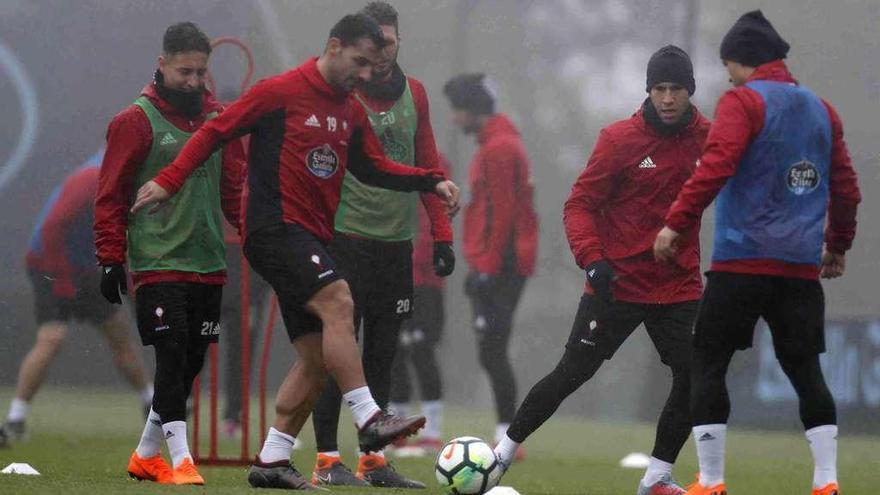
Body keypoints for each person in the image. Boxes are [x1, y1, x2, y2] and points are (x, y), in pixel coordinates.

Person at [129, 13, 460, 491]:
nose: (366, 74)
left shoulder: (349, 110)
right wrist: (168, 178)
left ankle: (272, 459)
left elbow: (373, 168)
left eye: (372, 66)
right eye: (360, 62)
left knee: (316, 359)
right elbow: (214, 132)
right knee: (340, 301)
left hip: (310, 238)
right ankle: (369, 415)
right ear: (333, 46)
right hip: (274, 230)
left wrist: (430, 179)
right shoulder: (279, 91)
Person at [653, 11, 860, 495]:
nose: (728, 75)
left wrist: (676, 224)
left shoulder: (742, 103)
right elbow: (847, 188)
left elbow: (715, 168)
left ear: (743, 61)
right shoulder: (822, 110)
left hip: (740, 263)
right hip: (799, 270)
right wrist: (838, 245)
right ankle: (827, 483)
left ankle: (712, 481)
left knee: (707, 361)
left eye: (729, 65)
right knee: (806, 370)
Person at [492, 47, 711, 495]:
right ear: (648, 91)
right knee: (572, 373)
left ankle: (657, 478)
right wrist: (592, 259)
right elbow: (579, 205)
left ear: (690, 91)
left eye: (676, 89)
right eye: (659, 88)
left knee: (697, 375)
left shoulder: (710, 138)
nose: (668, 98)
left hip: (678, 285)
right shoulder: (619, 140)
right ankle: (499, 458)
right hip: (617, 283)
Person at [308, 3, 454, 489]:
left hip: (396, 247)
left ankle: (373, 463)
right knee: (338, 353)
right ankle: (327, 461)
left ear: (399, 41)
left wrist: (442, 234)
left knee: (382, 357)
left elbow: (427, 162)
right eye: (376, 44)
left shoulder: (415, 94)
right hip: (345, 240)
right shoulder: (340, 92)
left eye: (390, 41)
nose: (383, 51)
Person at [94, 22, 246, 485]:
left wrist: (258, 242)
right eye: (186, 72)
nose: (195, 81)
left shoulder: (221, 120)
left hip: (209, 262)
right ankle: (181, 462)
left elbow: (234, 190)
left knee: (189, 365)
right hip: (158, 260)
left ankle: (144, 454)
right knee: (172, 355)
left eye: (202, 72)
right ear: (162, 65)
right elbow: (111, 195)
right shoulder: (134, 121)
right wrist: (110, 257)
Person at [0, 150, 153, 449]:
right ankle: (15, 419)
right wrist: (64, 283)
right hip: (49, 263)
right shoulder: (92, 178)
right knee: (52, 338)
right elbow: (52, 228)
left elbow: (121, 239)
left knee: (118, 333)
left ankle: (150, 403)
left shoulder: (123, 180)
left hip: (84, 268)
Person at [443, 73, 538, 453]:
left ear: (472, 109)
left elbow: (502, 214)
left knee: (493, 349)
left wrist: (487, 268)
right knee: (491, 349)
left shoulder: (499, 148)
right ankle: (507, 433)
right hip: (500, 261)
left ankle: (509, 437)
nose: (454, 118)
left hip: (502, 264)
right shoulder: (499, 142)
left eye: (457, 110)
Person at [386, 153, 454, 458]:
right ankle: (397, 429)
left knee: (422, 349)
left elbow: (437, 216)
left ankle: (433, 432)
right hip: (397, 272)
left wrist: (427, 257)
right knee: (395, 350)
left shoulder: (436, 163)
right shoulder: (388, 159)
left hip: (425, 280)